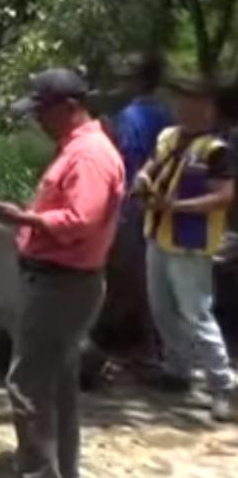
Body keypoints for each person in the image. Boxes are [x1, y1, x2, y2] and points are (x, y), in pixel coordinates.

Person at [0, 68, 125, 478]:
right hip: (62, 283)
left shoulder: (90, 155)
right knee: (57, 389)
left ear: (71, 107)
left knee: (27, 388)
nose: (38, 120)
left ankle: (38, 472)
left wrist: (25, 219)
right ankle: (61, 469)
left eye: (43, 111)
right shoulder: (77, 148)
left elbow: (82, 220)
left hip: (61, 285)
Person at [134, 76, 236, 422]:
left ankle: (221, 384)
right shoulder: (169, 137)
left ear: (208, 108)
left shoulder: (218, 149)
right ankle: (176, 371)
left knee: (196, 314)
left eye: (193, 102)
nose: (185, 108)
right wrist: (142, 180)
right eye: (182, 102)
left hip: (191, 242)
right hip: (158, 236)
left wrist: (175, 206)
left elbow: (223, 196)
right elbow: (152, 164)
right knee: (162, 307)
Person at [91, 53, 172, 365]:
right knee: (152, 280)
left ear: (136, 80)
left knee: (135, 279)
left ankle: (151, 349)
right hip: (162, 207)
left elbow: (123, 164)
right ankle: (153, 346)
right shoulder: (168, 117)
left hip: (132, 206)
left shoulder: (129, 118)